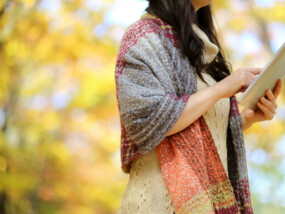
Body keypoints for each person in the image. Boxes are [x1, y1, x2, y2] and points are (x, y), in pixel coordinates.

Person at [114, 0, 283, 213]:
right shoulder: (143, 36)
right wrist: (221, 89)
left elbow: (203, 134)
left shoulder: (205, 48)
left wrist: (247, 119)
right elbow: (146, 121)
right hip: (157, 203)